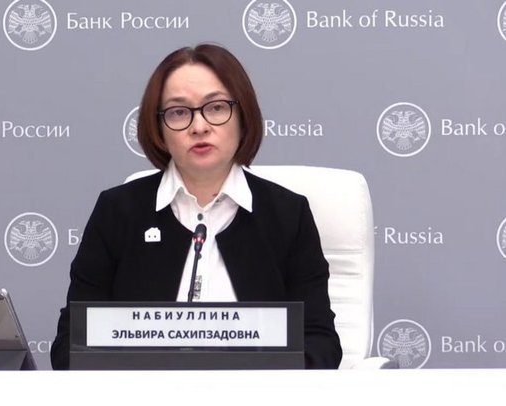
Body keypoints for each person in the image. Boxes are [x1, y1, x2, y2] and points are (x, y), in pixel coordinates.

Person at [51, 43, 341, 369]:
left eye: (216, 107)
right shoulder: (117, 212)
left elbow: (320, 344)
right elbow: (70, 346)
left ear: (243, 117)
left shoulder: (287, 215)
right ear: (159, 129)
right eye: (178, 112)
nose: (199, 126)